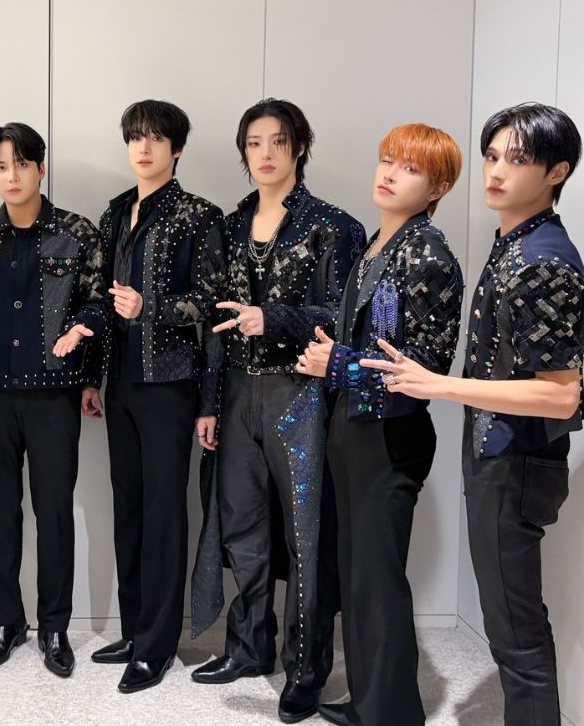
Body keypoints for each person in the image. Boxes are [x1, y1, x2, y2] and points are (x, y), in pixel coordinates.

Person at [360, 103, 584, 726]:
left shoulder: (543, 259)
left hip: (517, 458)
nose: (496, 171)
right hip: (499, 452)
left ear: (556, 172)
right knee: (507, 623)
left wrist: (440, 384)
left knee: (516, 633)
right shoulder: (514, 243)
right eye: (492, 156)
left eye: (518, 159)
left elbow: (561, 395)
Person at [191, 98, 364, 724]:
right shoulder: (230, 224)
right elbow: (215, 322)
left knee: (305, 535)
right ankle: (248, 646)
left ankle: (307, 668)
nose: (265, 154)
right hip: (238, 392)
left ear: (300, 147)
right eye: (254, 143)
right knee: (242, 527)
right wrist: (209, 403)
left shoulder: (333, 227)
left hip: (301, 394)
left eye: (278, 141)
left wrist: (276, 319)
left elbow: (345, 318)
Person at [294, 123, 465, 726]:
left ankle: (391, 714)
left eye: (410, 168)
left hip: (390, 434)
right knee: (357, 573)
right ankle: (369, 701)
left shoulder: (429, 255)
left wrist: (337, 362)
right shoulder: (379, 244)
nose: (390, 173)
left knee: (378, 578)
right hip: (356, 424)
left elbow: (423, 369)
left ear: (437, 188)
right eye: (388, 160)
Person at [0, 122, 109, 678]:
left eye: (21, 164)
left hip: (54, 395)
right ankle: (7, 622)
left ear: (41, 167)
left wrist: (83, 328)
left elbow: (96, 298)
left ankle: (55, 626)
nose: (11, 176)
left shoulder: (77, 233)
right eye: (0, 166)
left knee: (54, 511)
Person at [83, 99, 226, 693]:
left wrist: (153, 308)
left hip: (171, 383)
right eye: (135, 137)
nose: (144, 148)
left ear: (177, 148)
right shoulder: (116, 211)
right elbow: (99, 298)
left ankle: (158, 645)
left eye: (156, 138)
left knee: (165, 514)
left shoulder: (199, 216)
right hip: (121, 382)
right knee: (128, 508)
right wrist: (91, 377)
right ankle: (135, 629)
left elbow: (214, 305)